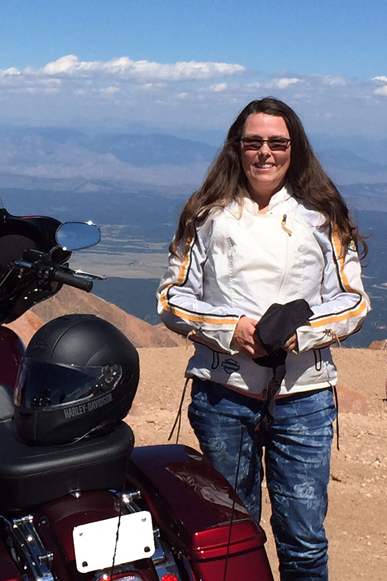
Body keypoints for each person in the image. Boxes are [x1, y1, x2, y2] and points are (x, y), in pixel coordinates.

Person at [157, 97, 369, 581]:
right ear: (238, 147)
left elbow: (353, 300)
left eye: (277, 142)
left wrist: (300, 332)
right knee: (231, 536)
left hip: (304, 396)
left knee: (304, 541)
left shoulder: (322, 215)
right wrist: (230, 329)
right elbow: (172, 297)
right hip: (223, 394)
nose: (265, 153)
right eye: (253, 142)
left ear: (295, 149)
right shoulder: (206, 214)